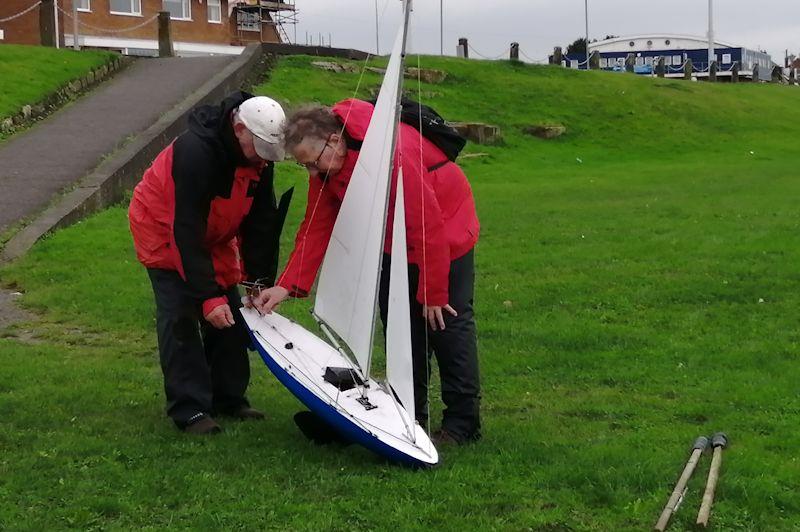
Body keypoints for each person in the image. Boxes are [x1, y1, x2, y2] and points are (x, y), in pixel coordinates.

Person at [253, 99, 482, 444]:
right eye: (305, 167)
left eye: (313, 163)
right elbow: (315, 228)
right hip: (392, 242)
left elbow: (428, 226)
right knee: (401, 329)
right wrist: (286, 286)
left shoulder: (394, 153)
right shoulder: (328, 167)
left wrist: (434, 292)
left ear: (334, 140)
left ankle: (463, 424)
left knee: (445, 325)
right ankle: (408, 416)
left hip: (446, 232)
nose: (313, 174)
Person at [129, 91, 292, 435]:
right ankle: (189, 409)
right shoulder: (195, 152)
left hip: (214, 234)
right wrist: (205, 296)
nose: (264, 159)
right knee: (182, 315)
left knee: (230, 315)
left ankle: (229, 398)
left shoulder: (258, 158)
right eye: (259, 148)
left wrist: (256, 281)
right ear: (239, 129)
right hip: (164, 229)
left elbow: (261, 220)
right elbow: (185, 227)